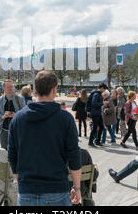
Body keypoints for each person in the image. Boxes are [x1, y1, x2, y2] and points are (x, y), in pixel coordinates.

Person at [8, 71, 82, 206]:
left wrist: (21, 180)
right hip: (57, 190)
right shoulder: (65, 118)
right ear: (55, 89)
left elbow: (12, 154)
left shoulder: (18, 118)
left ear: (35, 89)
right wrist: (77, 187)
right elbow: (74, 155)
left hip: (26, 191)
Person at [0, 79, 25, 151]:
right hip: (4, 131)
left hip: (17, 131)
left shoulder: (20, 98)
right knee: (4, 152)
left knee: (18, 152)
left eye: (12, 86)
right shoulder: (0, 100)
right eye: (8, 87)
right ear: (3, 88)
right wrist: (3, 116)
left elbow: (25, 113)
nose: (11, 88)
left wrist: (16, 115)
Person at [87, 83, 108, 147]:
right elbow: (94, 104)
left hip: (98, 113)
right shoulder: (96, 94)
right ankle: (90, 142)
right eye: (104, 89)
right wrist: (102, 103)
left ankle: (97, 141)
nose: (104, 91)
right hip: (95, 113)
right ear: (101, 88)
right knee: (95, 128)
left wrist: (102, 103)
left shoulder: (98, 94)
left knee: (101, 127)